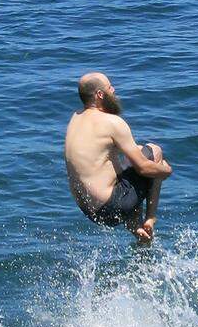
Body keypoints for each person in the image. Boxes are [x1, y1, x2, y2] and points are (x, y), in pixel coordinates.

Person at [64, 72, 173, 241]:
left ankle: (136, 228)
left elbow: (107, 155)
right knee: (154, 152)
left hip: (89, 210)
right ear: (100, 95)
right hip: (111, 207)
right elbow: (143, 167)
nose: (114, 90)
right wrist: (167, 171)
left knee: (134, 153)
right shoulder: (112, 123)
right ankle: (150, 220)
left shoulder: (75, 118)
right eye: (110, 87)